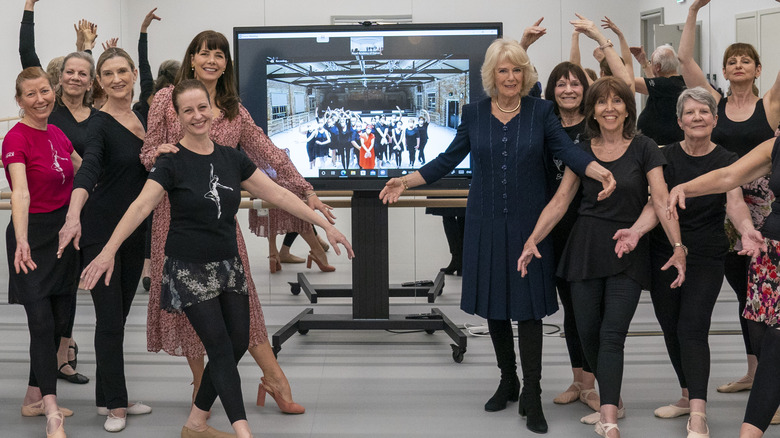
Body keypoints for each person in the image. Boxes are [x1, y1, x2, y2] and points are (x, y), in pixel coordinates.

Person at [80, 78, 354, 438]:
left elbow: (277, 194)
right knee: (221, 346)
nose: (197, 116)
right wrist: (107, 251)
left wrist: (324, 225)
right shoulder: (170, 162)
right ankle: (242, 430)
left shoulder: (232, 158)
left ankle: (195, 423)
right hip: (187, 267)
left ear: (214, 110)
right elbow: (140, 207)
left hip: (228, 265)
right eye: (188, 110)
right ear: (176, 117)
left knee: (239, 340)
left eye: (202, 107)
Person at [380, 37, 616, 434]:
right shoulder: (474, 114)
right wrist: (407, 180)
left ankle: (533, 394)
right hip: (485, 224)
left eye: (517, 69)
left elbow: (567, 151)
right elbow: (446, 160)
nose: (510, 77)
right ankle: (509, 380)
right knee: (495, 307)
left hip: (530, 225)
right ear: (492, 75)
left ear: (525, 75)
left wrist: (599, 170)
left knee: (528, 310)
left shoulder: (541, 112)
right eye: (503, 70)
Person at [141, 30, 333, 414]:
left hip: (222, 225)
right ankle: (202, 392)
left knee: (241, 309)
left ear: (226, 63)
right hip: (175, 221)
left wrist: (306, 191)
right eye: (204, 53)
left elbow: (271, 155)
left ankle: (273, 378)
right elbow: (148, 153)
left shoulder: (233, 110)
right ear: (191, 59)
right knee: (190, 309)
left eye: (219, 54)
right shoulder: (167, 99)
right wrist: (160, 153)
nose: (212, 59)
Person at [519, 75, 685, 438]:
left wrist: (677, 246)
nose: (609, 108)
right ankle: (614, 398)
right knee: (588, 331)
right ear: (593, 109)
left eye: (617, 101)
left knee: (612, 334)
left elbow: (659, 200)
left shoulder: (645, 148)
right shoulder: (582, 149)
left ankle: (609, 416)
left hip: (627, 248)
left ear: (628, 108)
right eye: (601, 102)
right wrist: (534, 238)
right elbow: (561, 200)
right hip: (585, 249)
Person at [634, 88, 761, 437]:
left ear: (715, 119)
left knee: (693, 326)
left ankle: (698, 413)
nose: (697, 118)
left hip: (706, 254)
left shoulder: (726, 159)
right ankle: (686, 394)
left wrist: (747, 229)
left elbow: (735, 204)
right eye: (690, 113)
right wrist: (634, 232)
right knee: (671, 326)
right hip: (664, 252)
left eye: (704, 112)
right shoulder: (664, 157)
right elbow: (655, 204)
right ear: (679, 121)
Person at [679, 0, 780, 396]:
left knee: (767, 302)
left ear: (758, 69)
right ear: (724, 71)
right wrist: (692, 11)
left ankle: (769, 380)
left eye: (746, 60)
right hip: (727, 211)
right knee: (744, 296)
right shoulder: (714, 104)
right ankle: (755, 374)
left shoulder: (769, 105)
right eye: (732, 61)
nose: (738, 65)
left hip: (766, 214)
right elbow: (684, 58)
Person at [57, 47, 153, 433]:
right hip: (101, 234)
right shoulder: (98, 123)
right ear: (100, 81)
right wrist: (73, 214)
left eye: (121, 71)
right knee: (110, 322)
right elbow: (90, 168)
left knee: (119, 319)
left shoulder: (145, 117)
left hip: (134, 232)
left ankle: (106, 395)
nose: (116, 79)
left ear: (133, 73)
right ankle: (115, 405)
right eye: (107, 73)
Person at [667, 132, 780, 437]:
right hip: (772, 253)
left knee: (776, 343)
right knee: (759, 333)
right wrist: (683, 187)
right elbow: (729, 176)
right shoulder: (775, 144)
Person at [19, 0, 97, 385]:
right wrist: (29, 9)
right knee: (46, 302)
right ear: (57, 79)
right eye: (68, 73)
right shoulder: (50, 112)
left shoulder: (95, 113)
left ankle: (63, 356)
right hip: (48, 218)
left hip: (82, 216)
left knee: (69, 295)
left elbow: (96, 163)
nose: (75, 78)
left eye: (82, 73)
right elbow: (27, 57)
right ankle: (46, 375)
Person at [3, 66, 82, 438]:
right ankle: (52, 411)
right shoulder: (14, 138)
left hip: (63, 237)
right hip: (30, 236)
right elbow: (20, 190)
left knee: (59, 324)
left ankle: (33, 397)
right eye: (31, 95)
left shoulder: (59, 134)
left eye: (45, 91)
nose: (40, 100)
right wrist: (21, 238)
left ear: (54, 92)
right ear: (19, 101)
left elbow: (84, 174)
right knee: (41, 324)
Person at [541, 61, 599, 411]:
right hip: (555, 225)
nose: (568, 90)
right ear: (552, 89)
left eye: (575, 84)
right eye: (561, 84)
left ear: (585, 89)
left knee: (588, 308)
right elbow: (508, 88)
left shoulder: (595, 124)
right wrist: (526, 46)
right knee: (571, 309)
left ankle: (591, 384)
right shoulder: (544, 121)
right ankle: (578, 381)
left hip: (590, 223)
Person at [629, 45, 686, 145]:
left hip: (662, 146)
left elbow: (628, 82)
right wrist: (644, 62)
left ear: (658, 67)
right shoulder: (676, 82)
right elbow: (655, 82)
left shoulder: (666, 84)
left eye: (652, 63)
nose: (650, 65)